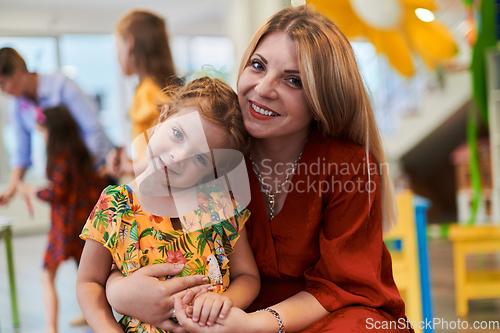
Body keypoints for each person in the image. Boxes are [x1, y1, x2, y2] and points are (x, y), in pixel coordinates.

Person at [104, 5, 413, 333]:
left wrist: (256, 324)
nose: (264, 88)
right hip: (225, 316)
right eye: (258, 65)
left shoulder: (348, 165)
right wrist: (118, 290)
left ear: (321, 100)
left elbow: (345, 287)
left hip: (329, 316)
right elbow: (142, 238)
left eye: (293, 80)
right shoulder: (210, 158)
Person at [77, 77, 260, 333]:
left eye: (199, 158)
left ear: (213, 172)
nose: (178, 156)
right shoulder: (115, 205)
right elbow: (89, 283)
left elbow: (247, 277)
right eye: (178, 134)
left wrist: (224, 301)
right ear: (163, 116)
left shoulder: (218, 206)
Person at [17, 106, 108, 333]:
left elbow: (57, 192)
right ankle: (94, 319)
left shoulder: (60, 155)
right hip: (84, 220)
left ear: (53, 131)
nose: (43, 136)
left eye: (43, 132)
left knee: (46, 273)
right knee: (90, 276)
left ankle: (50, 329)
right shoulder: (80, 151)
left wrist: (32, 191)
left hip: (65, 225)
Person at [0, 47, 114, 205]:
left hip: (97, 168)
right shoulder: (18, 106)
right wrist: (11, 190)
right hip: (68, 176)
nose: (2, 91)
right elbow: (22, 151)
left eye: (3, 84)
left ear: (19, 73)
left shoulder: (61, 85)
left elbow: (93, 130)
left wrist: (80, 173)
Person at [107, 9, 177, 177]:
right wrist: (129, 163)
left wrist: (128, 168)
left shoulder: (150, 94)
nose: (117, 55)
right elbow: (152, 155)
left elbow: (168, 160)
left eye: (118, 46)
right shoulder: (159, 88)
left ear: (130, 44)